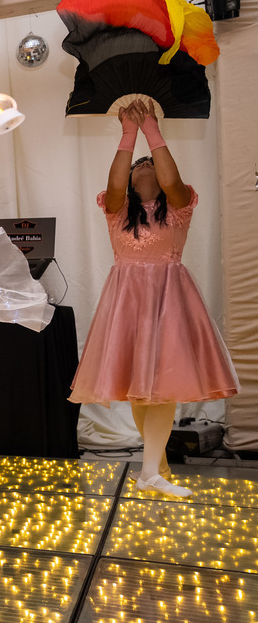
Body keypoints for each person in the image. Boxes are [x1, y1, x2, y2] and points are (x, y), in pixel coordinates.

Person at [70, 101, 237, 497]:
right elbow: (114, 186)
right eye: (138, 164)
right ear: (130, 179)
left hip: (168, 298)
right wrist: (127, 134)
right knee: (138, 385)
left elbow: (173, 181)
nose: (145, 164)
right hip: (127, 300)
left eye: (151, 163)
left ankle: (149, 472)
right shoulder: (117, 209)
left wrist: (151, 130)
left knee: (162, 381)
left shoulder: (178, 207)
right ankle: (153, 467)